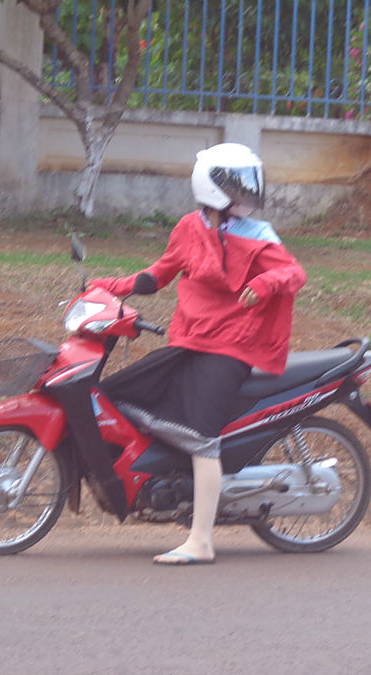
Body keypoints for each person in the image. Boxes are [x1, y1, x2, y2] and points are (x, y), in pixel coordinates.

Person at [91, 143, 306, 565]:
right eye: (237, 187)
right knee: (118, 394)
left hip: (232, 346)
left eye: (248, 186)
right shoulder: (190, 228)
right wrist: (109, 286)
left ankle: (201, 540)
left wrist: (266, 284)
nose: (246, 195)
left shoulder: (259, 235)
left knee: (201, 438)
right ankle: (168, 487)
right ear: (213, 189)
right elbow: (159, 274)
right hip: (191, 339)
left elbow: (293, 272)